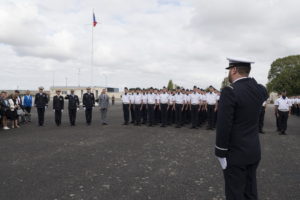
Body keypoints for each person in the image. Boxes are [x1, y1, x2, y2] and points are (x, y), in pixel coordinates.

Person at [215, 58, 268, 200]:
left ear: (234, 70)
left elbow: (223, 126)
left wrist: (220, 152)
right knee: (250, 191)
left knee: (235, 193)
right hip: (253, 149)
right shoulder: (259, 89)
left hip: (236, 153)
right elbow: (264, 91)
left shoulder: (229, 91)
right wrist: (251, 81)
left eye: (229, 71)